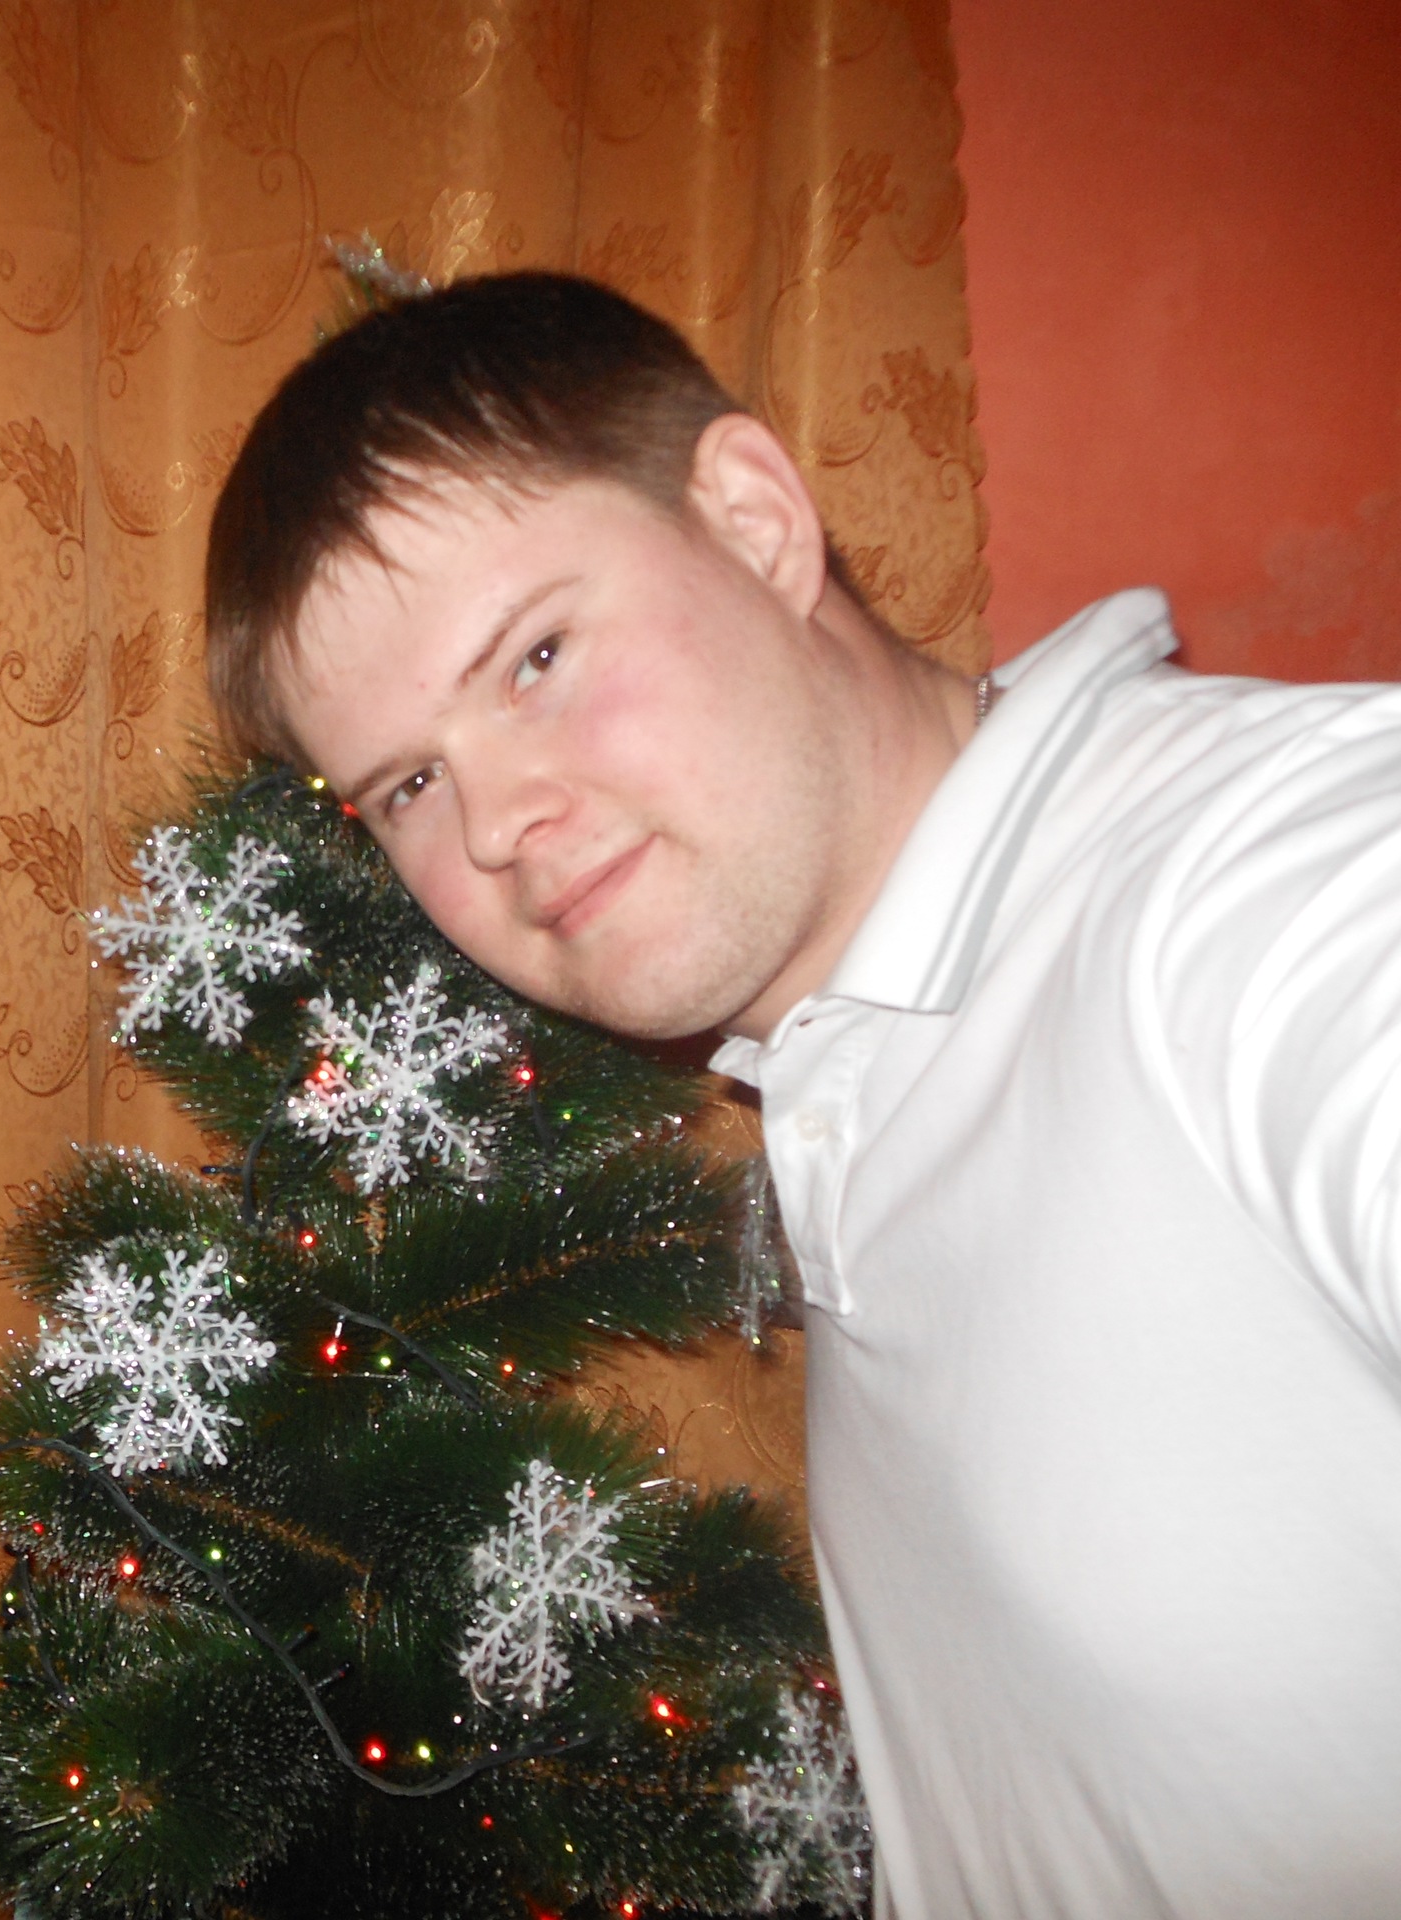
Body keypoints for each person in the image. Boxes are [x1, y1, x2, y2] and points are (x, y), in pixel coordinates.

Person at [202, 271, 1401, 1917]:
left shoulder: (1275, 884)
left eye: (537, 656)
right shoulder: (848, 1059)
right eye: (408, 783)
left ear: (759, 523)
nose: (488, 829)